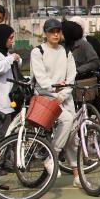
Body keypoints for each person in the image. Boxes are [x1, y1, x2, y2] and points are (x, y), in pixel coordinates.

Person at [29, 18, 76, 175]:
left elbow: (71, 78)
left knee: (72, 135)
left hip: (65, 98)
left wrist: (62, 95)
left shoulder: (66, 52)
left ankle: (77, 176)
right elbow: (41, 79)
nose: (55, 35)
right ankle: (53, 156)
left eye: (58, 31)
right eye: (52, 32)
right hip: (44, 98)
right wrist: (55, 89)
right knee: (67, 120)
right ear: (45, 34)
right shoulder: (38, 51)